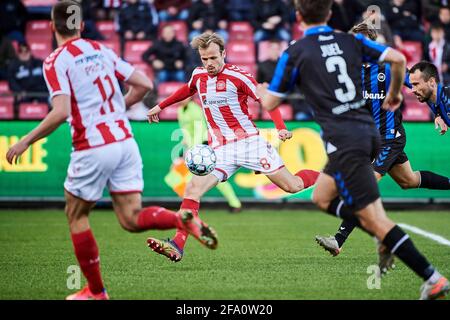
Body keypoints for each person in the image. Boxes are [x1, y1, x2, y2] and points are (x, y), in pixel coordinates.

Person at [5, 1, 218, 300]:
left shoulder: (55, 60)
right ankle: (179, 219)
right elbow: (144, 84)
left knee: (76, 216)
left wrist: (26, 140)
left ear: (52, 27)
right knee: (130, 218)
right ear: (80, 26)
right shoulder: (101, 49)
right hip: (125, 143)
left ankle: (96, 292)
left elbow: (60, 110)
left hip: (92, 146)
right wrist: (117, 107)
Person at [260, 0, 449, 300]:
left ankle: (430, 275)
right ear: (330, 13)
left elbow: (270, 102)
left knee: (373, 215)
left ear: (297, 16)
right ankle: (382, 237)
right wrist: (398, 95)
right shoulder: (350, 47)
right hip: (362, 136)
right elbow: (400, 59)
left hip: (363, 139)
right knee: (337, 193)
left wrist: (264, 91)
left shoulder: (303, 50)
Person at [146, 32, 320, 263]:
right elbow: (186, 90)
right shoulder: (198, 75)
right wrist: (160, 106)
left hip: (250, 144)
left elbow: (266, 99)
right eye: (204, 59)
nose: (208, 64)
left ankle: (332, 176)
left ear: (224, 54)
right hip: (220, 149)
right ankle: (177, 244)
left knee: (292, 185)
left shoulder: (239, 76)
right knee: (192, 190)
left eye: (213, 58)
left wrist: (280, 127)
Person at [314, 23, 450, 274]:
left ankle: (340, 240)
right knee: (409, 180)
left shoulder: (389, 69)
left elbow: (423, 89)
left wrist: (438, 114)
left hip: (390, 138)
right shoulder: (350, 74)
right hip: (369, 140)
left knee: (362, 185)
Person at [164, 97, 242, 213]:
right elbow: (186, 133)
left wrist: (192, 150)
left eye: (182, 97)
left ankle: (234, 203)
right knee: (178, 174)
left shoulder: (195, 110)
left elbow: (200, 132)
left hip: (202, 147)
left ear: (190, 97)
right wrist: (183, 151)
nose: (179, 100)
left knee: (215, 176)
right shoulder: (180, 110)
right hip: (191, 149)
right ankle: (188, 203)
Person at [409, 60, 450, 132]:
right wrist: (438, 115)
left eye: (416, 84)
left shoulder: (447, 98)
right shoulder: (433, 99)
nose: (413, 90)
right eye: (412, 85)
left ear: (431, 82)